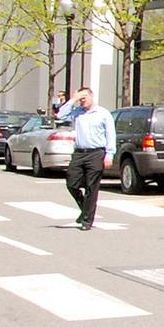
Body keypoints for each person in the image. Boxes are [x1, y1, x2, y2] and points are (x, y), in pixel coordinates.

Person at [57, 86, 115, 230]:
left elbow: (111, 135)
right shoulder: (77, 113)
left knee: (91, 186)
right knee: (72, 183)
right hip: (79, 152)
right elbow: (60, 116)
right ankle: (85, 209)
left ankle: (87, 220)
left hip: (96, 153)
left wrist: (110, 154)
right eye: (80, 99)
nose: (82, 101)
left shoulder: (103, 113)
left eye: (84, 98)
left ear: (91, 96)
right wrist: (73, 100)